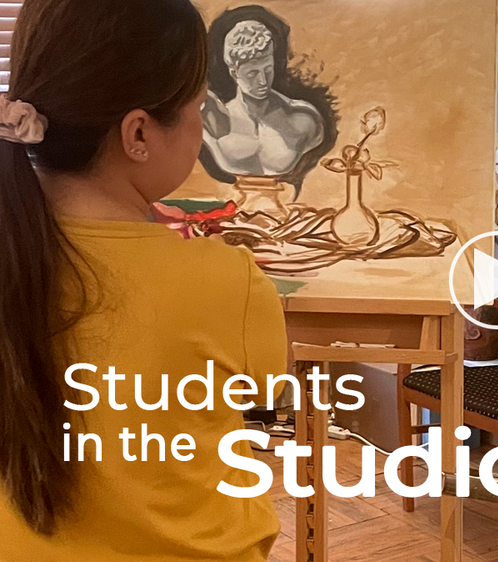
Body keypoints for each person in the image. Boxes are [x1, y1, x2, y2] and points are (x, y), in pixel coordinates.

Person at [0, 1, 287, 561]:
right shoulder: (228, 282)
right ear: (137, 133)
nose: (202, 125)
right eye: (198, 107)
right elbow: (265, 391)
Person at [202, 19, 325, 177]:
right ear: (234, 73)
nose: (262, 81)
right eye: (252, 73)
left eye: (267, 70)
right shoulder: (215, 121)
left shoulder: (303, 118)